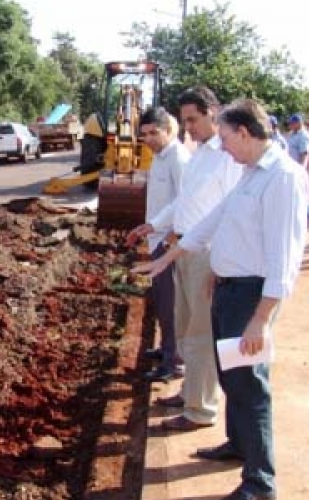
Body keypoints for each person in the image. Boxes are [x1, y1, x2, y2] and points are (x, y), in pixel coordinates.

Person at [133, 98, 309, 500]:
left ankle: (260, 482)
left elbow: (285, 259)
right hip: (231, 289)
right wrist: (167, 260)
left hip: (252, 295)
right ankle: (238, 444)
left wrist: (261, 319)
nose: (223, 147)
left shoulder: (282, 177)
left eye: (227, 138)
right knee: (232, 376)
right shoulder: (251, 173)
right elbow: (213, 220)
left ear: (245, 133)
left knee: (249, 384)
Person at [133, 86, 243, 430]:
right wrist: (155, 224)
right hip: (182, 249)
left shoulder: (227, 158)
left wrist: (220, 261)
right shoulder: (200, 154)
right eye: (184, 120)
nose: (188, 127)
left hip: (204, 254)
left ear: (213, 112)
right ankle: (188, 392)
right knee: (183, 329)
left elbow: (230, 212)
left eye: (192, 119)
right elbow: (184, 203)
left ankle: (200, 409)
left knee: (200, 336)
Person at [126, 108, 190, 383]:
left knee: (171, 303)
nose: (149, 139)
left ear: (169, 130)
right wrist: (148, 226)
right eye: (144, 134)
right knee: (162, 301)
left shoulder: (178, 158)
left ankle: (174, 361)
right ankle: (167, 348)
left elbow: (186, 201)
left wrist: (165, 232)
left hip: (170, 241)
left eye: (154, 133)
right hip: (157, 238)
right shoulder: (159, 159)